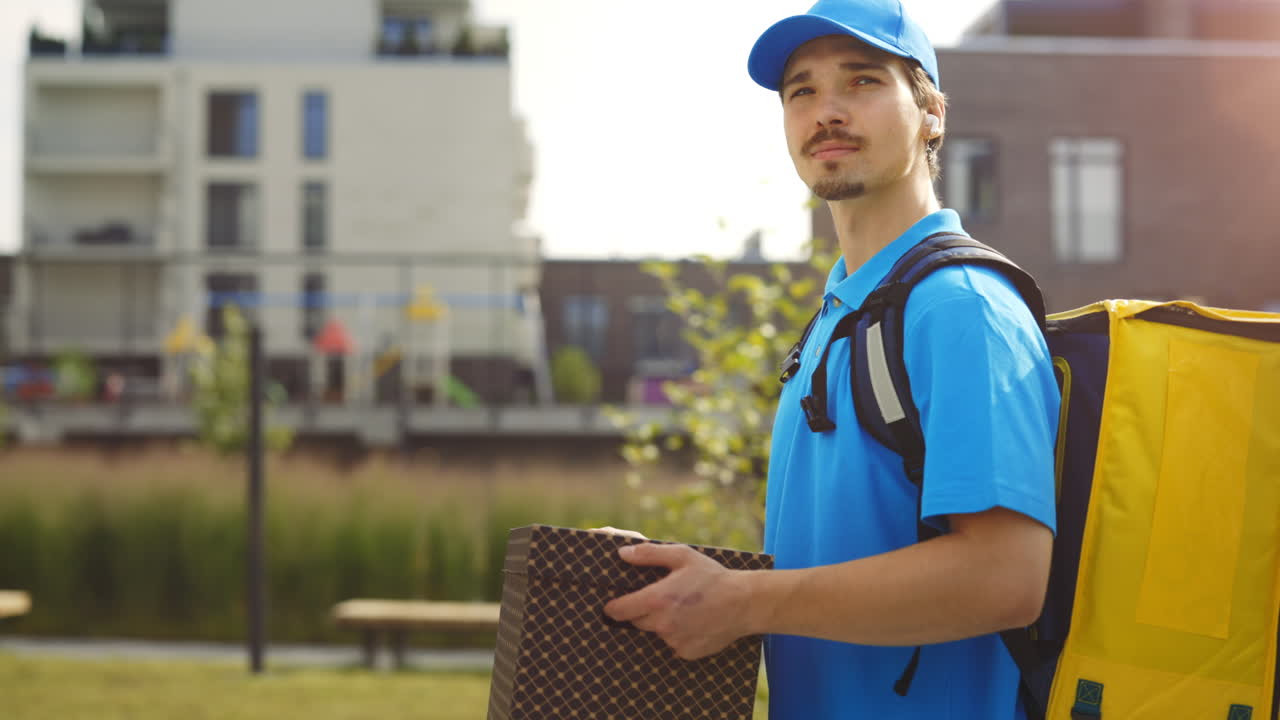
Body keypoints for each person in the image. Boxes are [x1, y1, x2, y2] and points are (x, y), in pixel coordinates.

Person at [601, 1, 1060, 717]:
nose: (827, 112)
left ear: (932, 111)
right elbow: (835, 564)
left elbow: (1006, 577)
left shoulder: (959, 307)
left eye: (863, 81)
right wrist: (677, 581)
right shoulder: (836, 316)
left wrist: (748, 601)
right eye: (802, 91)